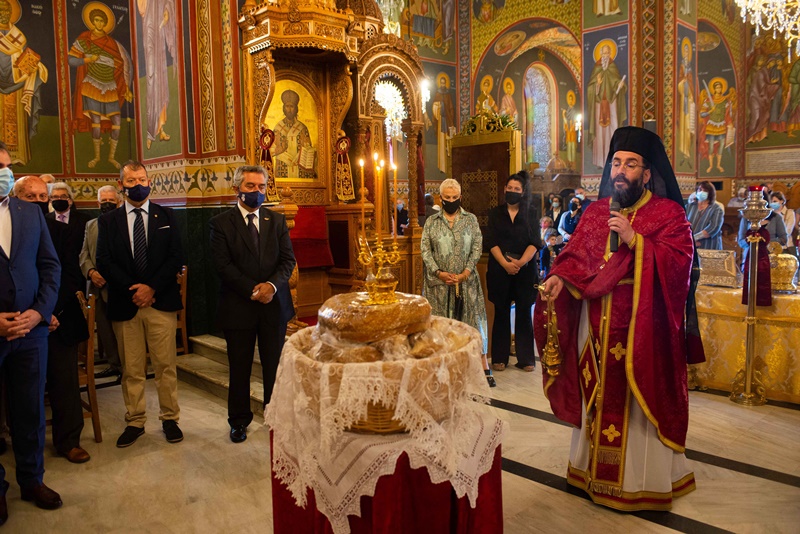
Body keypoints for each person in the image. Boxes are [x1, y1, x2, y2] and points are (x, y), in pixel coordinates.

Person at [536, 126, 702, 511]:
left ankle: (642, 481)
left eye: (630, 164)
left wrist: (635, 240)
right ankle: (590, 472)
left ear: (646, 174)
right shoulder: (596, 212)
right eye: (616, 163)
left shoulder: (668, 213)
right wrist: (559, 277)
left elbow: (681, 264)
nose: (621, 171)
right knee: (598, 396)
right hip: (594, 328)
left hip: (644, 329)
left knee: (636, 402)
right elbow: (575, 257)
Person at [96, 160, 185, 448]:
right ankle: (135, 421)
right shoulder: (108, 221)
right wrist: (133, 290)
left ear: (150, 181)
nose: (138, 185)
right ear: (121, 184)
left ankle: (170, 418)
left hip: (160, 302)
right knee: (131, 369)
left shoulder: (167, 215)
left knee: (165, 366)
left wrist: (151, 287)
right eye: (131, 181)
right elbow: (104, 262)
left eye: (142, 179)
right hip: (126, 303)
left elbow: (176, 256)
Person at [209, 165, 296, 442]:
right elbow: (222, 265)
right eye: (250, 187)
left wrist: (270, 286)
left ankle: (276, 417)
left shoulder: (276, 221)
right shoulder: (221, 223)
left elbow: (287, 261)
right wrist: (252, 289)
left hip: (274, 304)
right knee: (240, 367)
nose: (257, 192)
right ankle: (238, 421)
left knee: (274, 366)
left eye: (261, 187)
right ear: (237, 188)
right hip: (239, 306)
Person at [0, 142, 64, 520]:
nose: (4, 172)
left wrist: (39, 312)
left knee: (29, 412)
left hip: (31, 333)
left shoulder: (28, 212)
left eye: (7, 166)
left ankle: (31, 479)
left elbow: (50, 267)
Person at [421, 178, 494, 387]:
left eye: (454, 198)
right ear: (440, 199)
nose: (451, 201)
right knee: (440, 326)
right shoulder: (431, 222)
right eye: (447, 198)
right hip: (439, 284)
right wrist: (439, 272)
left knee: (474, 322)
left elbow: (477, 247)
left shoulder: (470, 220)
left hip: (466, 281)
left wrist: (466, 272)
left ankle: (482, 365)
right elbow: (425, 250)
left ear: (460, 198)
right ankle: (441, 368)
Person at [42, 182, 91, 463]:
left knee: (65, 381)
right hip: (19, 317)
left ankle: (69, 440)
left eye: (41, 196)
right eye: (30, 197)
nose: (37, 202)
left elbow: (67, 272)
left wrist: (51, 310)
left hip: (61, 314)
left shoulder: (64, 229)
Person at [486, 172, 541, 373]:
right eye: (510, 188)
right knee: (501, 311)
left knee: (524, 312)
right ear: (504, 189)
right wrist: (505, 263)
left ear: (523, 192)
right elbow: (491, 242)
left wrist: (520, 262)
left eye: (517, 189)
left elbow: (535, 242)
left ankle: (526, 359)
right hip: (500, 268)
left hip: (525, 269)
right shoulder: (495, 213)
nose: (513, 191)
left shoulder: (531, 213)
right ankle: (499, 358)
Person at [68, 6, 133, 169]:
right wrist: (88, 60)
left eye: (102, 20)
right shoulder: (84, 40)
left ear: (105, 23)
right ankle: (96, 157)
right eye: (96, 20)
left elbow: (121, 67)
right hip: (92, 85)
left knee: (116, 121)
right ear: (91, 21)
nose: (99, 23)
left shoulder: (112, 43)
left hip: (110, 86)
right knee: (95, 122)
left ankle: (111, 157)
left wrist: (125, 87)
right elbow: (71, 60)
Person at [79, 185, 123, 379]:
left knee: (122, 331)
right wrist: (91, 272)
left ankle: (128, 366)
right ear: (97, 203)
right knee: (104, 330)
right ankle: (114, 364)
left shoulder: (125, 223)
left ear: (118, 202)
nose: (106, 205)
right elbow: (84, 253)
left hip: (119, 286)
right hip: (96, 286)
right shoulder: (91, 225)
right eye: (103, 201)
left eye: (110, 201)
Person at [0, 0, 48, 166]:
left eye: (6, 11)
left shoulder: (18, 37)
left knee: (16, 120)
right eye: (1, 11)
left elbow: (23, 58)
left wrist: (34, 65)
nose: (4, 14)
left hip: (17, 86)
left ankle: (17, 156)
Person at [137, 0, 178, 149]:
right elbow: (142, 9)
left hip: (159, 36)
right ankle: (152, 129)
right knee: (152, 81)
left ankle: (160, 127)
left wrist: (166, 10)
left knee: (161, 81)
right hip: (150, 31)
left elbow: (168, 3)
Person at [587, 44, 627, 169]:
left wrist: (620, 87)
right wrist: (597, 85)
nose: (605, 56)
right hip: (599, 105)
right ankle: (600, 162)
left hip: (612, 103)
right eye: (603, 53)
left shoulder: (613, 67)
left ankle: (613, 161)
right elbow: (590, 88)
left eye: (607, 53)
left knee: (612, 131)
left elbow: (617, 84)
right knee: (599, 135)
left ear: (610, 54)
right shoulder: (596, 68)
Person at [271, 90, 314, 178]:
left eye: (292, 106)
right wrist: (279, 150)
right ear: (284, 108)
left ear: (296, 108)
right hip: (282, 169)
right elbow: (270, 150)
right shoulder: (278, 128)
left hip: (300, 170)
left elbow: (309, 149)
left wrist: (305, 148)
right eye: (287, 106)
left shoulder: (302, 128)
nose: (289, 109)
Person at [686, 181, 724, 250]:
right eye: (700, 189)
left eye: (705, 190)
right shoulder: (689, 207)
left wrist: (694, 238)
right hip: (691, 247)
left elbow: (713, 228)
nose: (702, 192)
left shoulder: (717, 209)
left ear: (710, 193)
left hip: (709, 247)